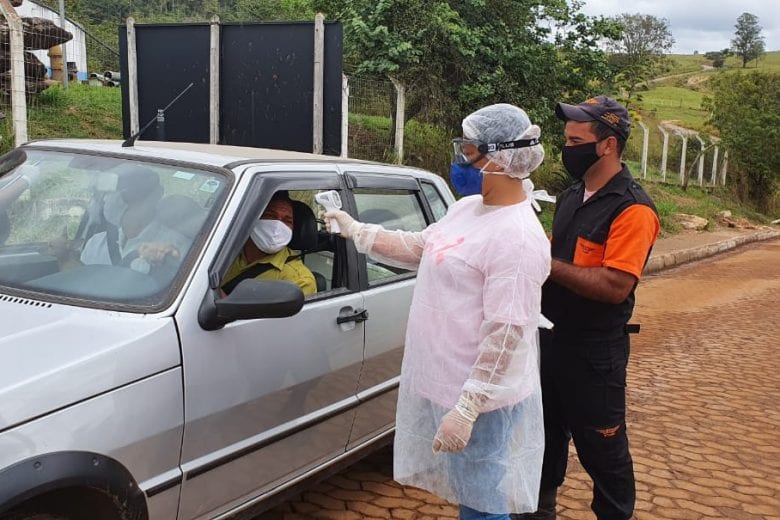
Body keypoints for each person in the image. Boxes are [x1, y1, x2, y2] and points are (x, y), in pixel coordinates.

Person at [325, 104, 551, 519]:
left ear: (498, 157)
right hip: (445, 381)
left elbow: (507, 333)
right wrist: (356, 230)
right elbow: (424, 247)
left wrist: (467, 409)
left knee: (484, 501)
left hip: (481, 398)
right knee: (470, 493)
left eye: (466, 151)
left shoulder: (517, 239)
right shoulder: (469, 209)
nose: (459, 161)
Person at [514, 96, 660, 520]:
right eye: (566, 139)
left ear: (607, 145)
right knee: (542, 439)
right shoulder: (573, 194)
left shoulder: (632, 209)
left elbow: (616, 285)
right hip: (548, 342)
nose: (567, 147)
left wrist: (546, 263)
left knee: (604, 452)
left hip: (595, 355)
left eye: (576, 140)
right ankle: (539, 510)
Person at [80, 166, 190, 278]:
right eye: (107, 195)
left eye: (122, 194)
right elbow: (82, 282)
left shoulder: (176, 248)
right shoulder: (96, 242)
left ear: (149, 200)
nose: (107, 200)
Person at [221, 192, 317, 296]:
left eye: (287, 221)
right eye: (270, 215)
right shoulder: (222, 252)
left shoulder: (299, 280)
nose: (277, 226)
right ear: (251, 219)